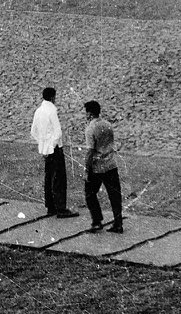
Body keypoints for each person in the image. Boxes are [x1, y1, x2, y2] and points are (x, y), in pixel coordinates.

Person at [31, 87, 74, 219]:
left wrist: (43, 144)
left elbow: (33, 132)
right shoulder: (52, 111)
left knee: (48, 178)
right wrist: (52, 145)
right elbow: (58, 132)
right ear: (52, 97)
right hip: (54, 149)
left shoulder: (38, 111)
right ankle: (61, 208)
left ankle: (51, 207)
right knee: (59, 179)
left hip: (45, 150)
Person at [82, 100, 122, 234]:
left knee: (90, 193)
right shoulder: (108, 125)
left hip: (97, 167)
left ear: (90, 114)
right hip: (111, 164)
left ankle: (97, 221)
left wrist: (87, 170)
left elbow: (90, 152)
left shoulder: (90, 129)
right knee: (115, 196)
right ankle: (118, 223)